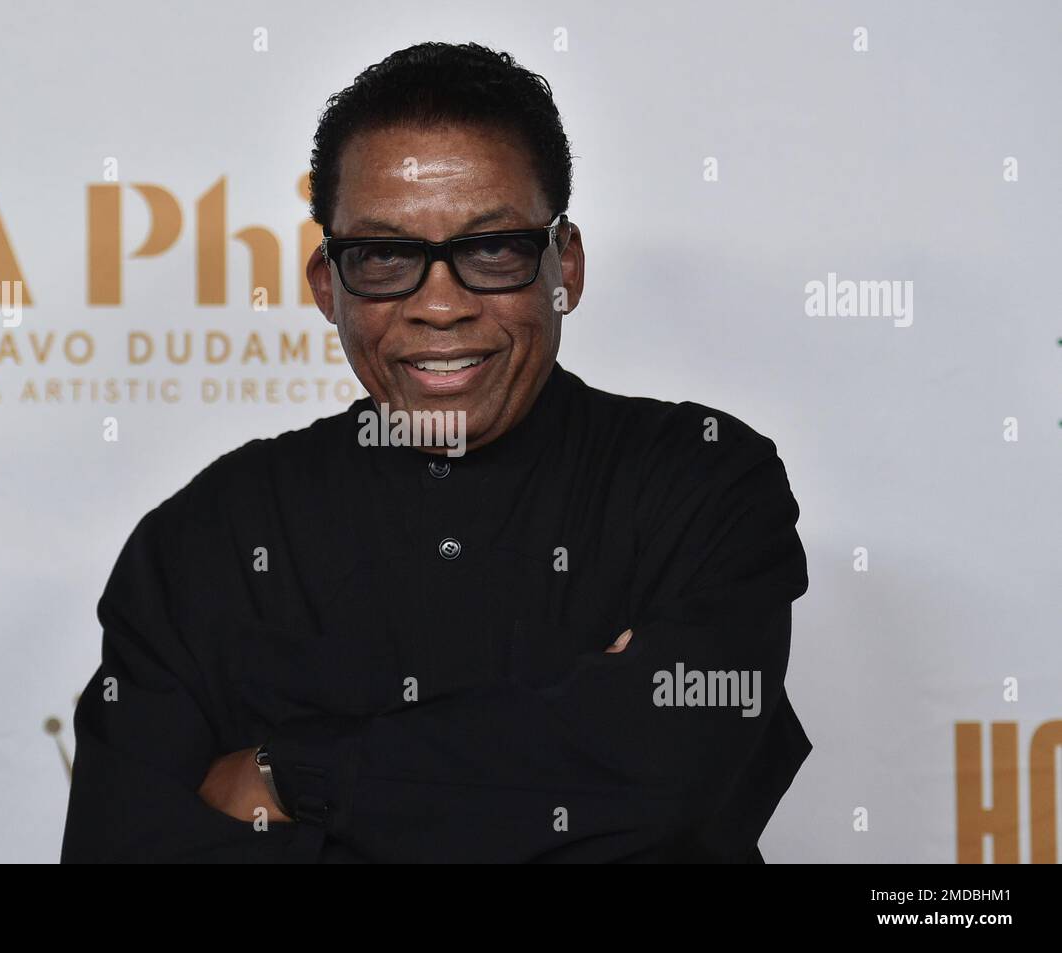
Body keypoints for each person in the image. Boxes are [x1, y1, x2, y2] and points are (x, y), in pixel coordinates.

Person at [61, 41, 811, 863]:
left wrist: (292, 774)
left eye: (492, 249)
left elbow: (675, 782)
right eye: (385, 256)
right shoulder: (206, 541)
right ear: (327, 286)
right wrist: (569, 758)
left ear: (565, 267)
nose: (442, 306)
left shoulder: (701, 481)